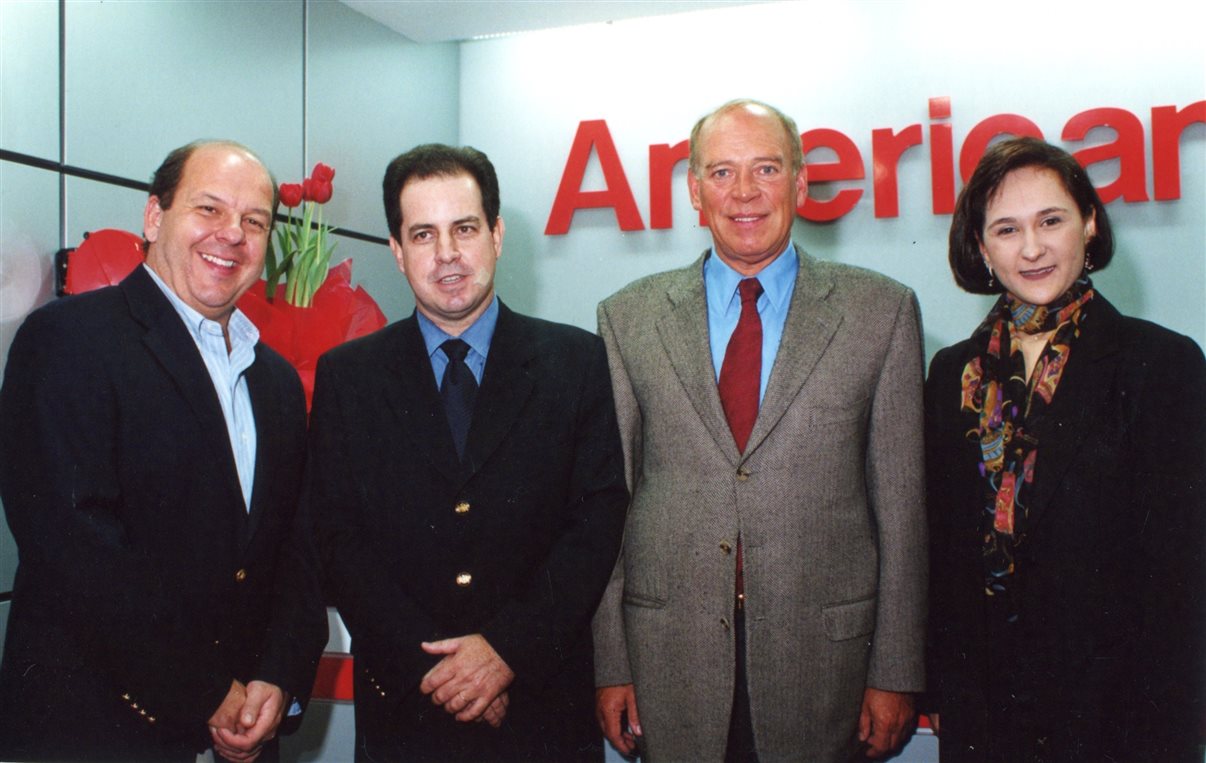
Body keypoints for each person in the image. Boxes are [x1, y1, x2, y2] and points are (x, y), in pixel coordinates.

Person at [591, 99, 927, 761]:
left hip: (825, 664)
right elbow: (610, 507)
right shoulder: (627, 319)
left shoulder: (880, 312)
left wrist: (895, 670)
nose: (743, 192)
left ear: (799, 184)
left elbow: (902, 510)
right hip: (669, 660)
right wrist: (610, 661)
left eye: (766, 169)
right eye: (720, 173)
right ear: (694, 191)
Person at [0, 140, 327, 761]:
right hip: (99, 731)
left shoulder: (276, 381)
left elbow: (294, 550)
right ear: (154, 218)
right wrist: (208, 692)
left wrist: (275, 682)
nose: (232, 234)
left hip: (243, 730)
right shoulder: (68, 339)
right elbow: (74, 546)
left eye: (253, 221)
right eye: (209, 209)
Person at [304, 143, 628, 761]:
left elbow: (595, 523)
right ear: (397, 252)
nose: (447, 253)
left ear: (497, 235)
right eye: (423, 234)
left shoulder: (575, 362)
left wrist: (505, 652)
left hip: (541, 708)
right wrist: (441, 673)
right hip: (406, 711)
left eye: (465, 228)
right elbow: (337, 538)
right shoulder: (350, 377)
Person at [925, 136, 1205, 761]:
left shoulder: (1161, 364)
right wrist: (945, 688)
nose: (1032, 248)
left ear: (1089, 223)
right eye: (1006, 229)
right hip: (986, 716)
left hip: (1122, 715)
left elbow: (1183, 570)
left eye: (1050, 220)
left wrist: (1175, 721)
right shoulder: (952, 374)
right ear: (980, 248)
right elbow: (943, 549)